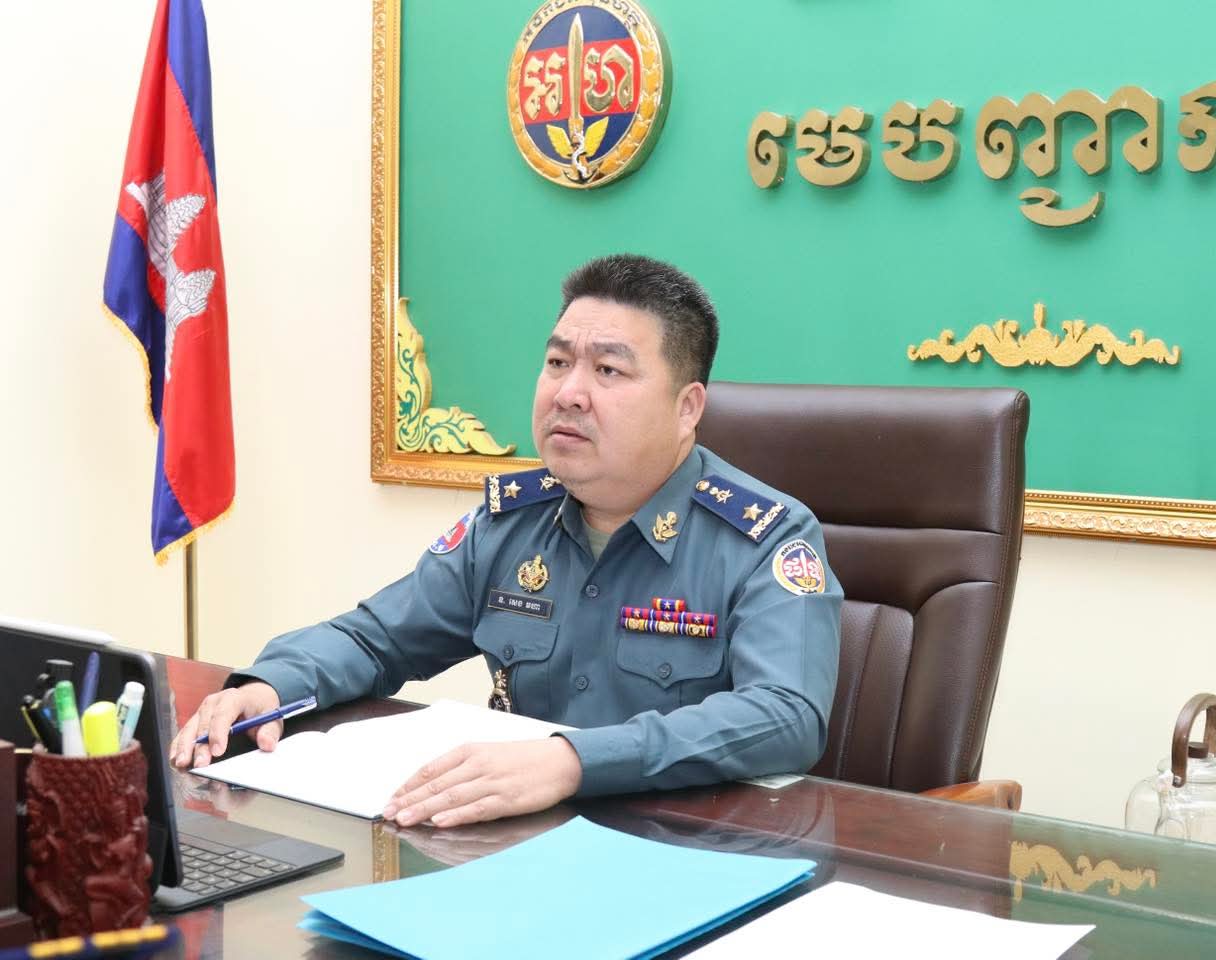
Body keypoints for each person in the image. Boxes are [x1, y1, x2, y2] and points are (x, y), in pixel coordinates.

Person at [170, 254, 843, 827]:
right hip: (517, 839)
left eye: (608, 371)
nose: (569, 393)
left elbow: (787, 715)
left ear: (687, 407)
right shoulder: (513, 522)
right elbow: (377, 637)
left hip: (683, 847)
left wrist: (572, 761)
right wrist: (271, 684)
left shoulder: (765, 537)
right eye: (557, 362)